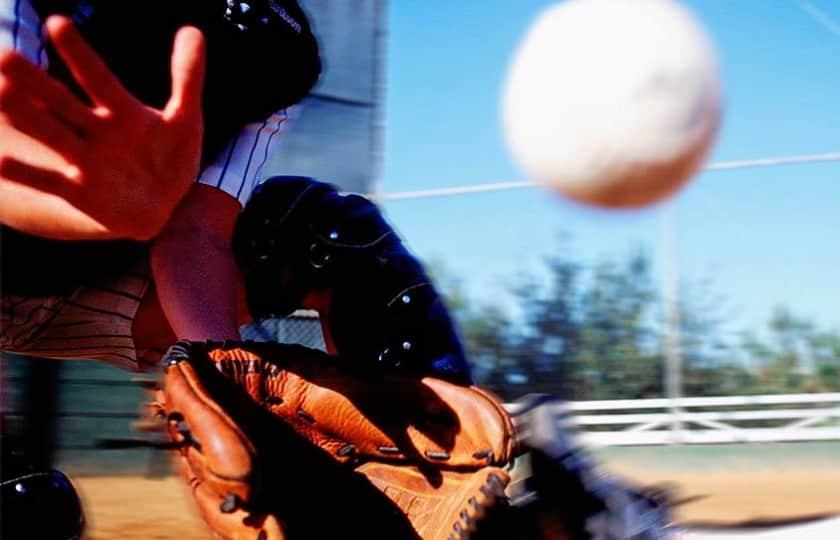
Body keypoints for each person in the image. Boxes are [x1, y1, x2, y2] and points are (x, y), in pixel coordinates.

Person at [0, 2, 320, 538]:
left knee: (322, 233)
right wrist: (108, 211)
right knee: (23, 511)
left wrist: (234, 394)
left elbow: (199, 233)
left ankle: (453, 473)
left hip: (86, 290)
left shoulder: (273, 47)